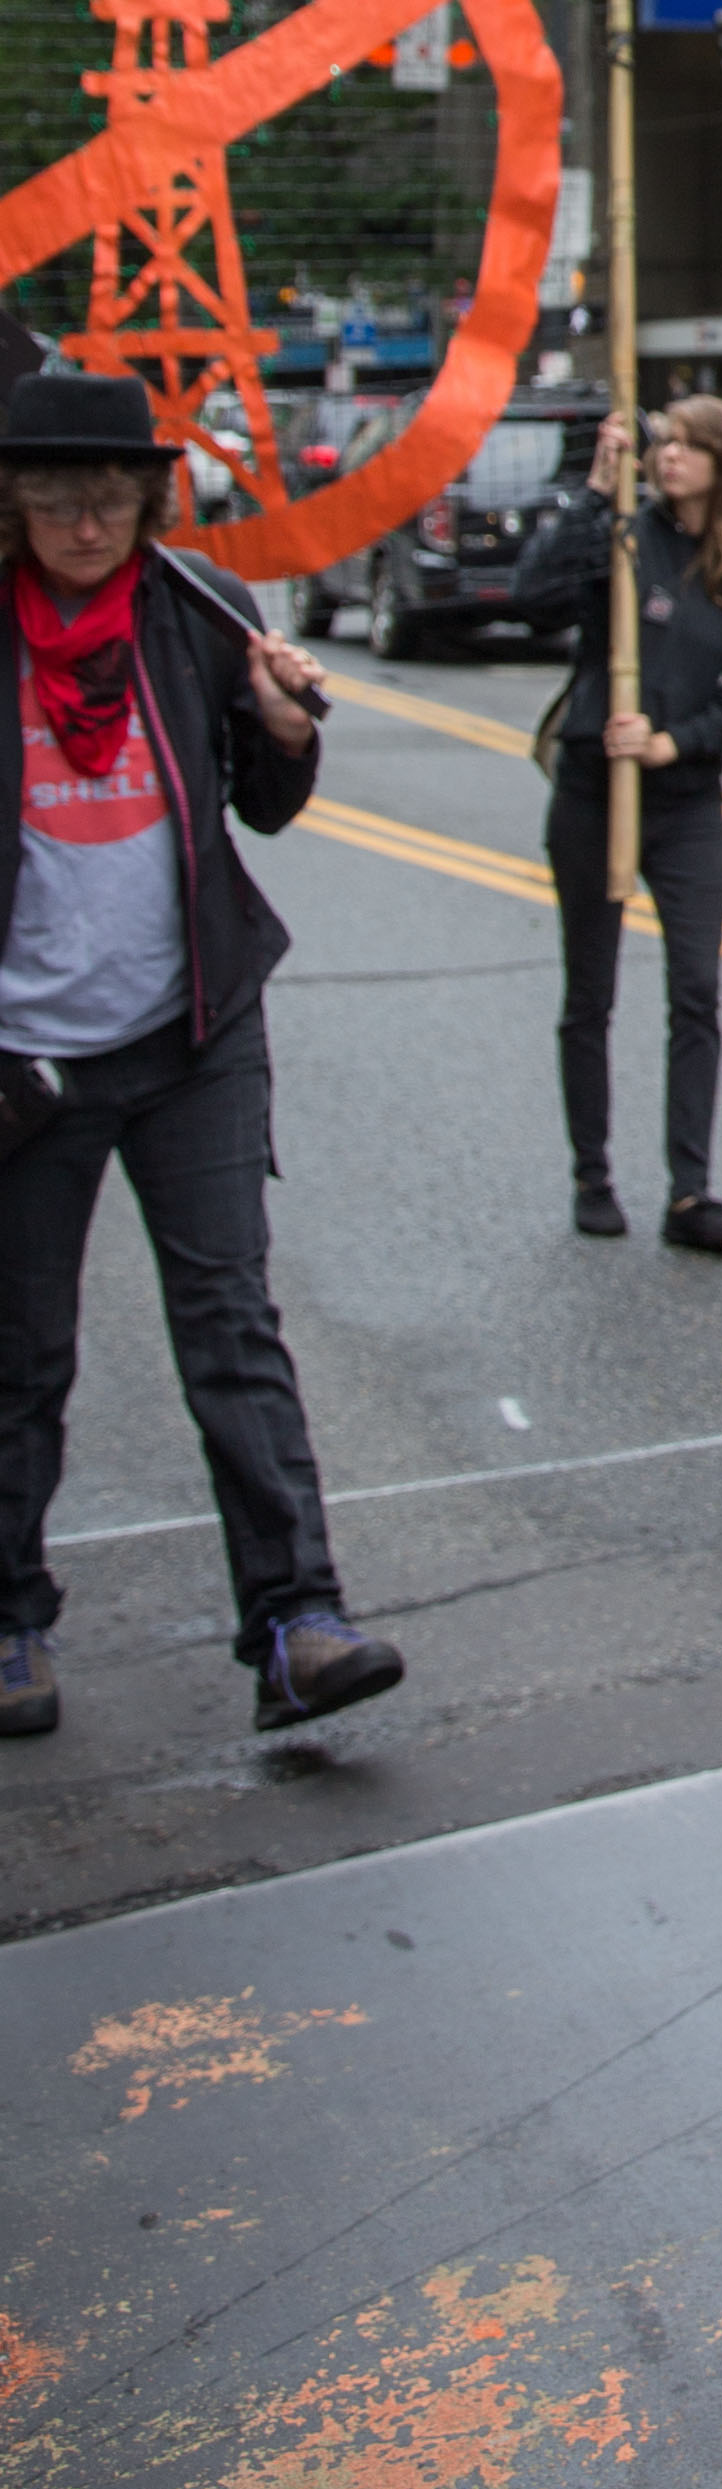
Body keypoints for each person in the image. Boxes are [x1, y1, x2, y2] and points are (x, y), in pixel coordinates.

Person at [0, 369, 397, 1744]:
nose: (85, 525)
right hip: (26, 1066)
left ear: (144, 502)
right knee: (21, 1354)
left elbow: (265, 802)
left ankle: (299, 1623)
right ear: (15, 503)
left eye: (109, 500)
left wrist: (283, 729)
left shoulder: (196, 610)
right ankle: (10, 1622)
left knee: (232, 1326)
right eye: (58, 500)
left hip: (193, 1033)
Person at [522, 396, 722, 1254]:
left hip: (685, 802)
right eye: (665, 443)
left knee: (696, 990)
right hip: (594, 792)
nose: (670, 456)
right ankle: (591, 1174)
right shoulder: (626, 539)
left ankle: (690, 1191)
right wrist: (597, 493)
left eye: (691, 446)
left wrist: (672, 743)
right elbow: (536, 595)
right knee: (589, 992)